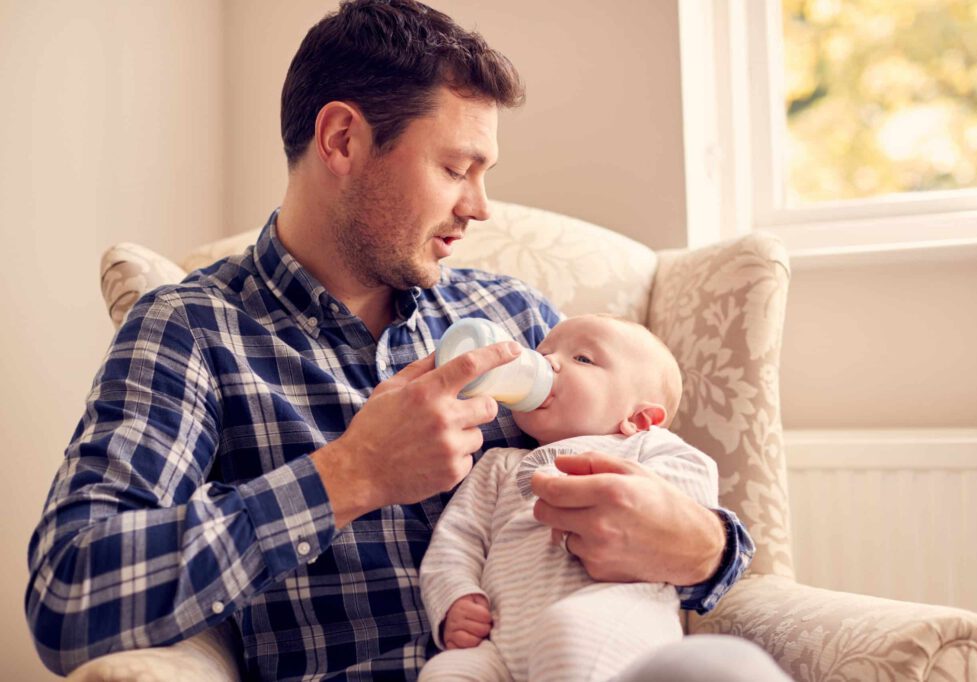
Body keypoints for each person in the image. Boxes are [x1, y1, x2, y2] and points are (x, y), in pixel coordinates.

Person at [25, 1, 768, 680]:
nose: (478, 207)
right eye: (455, 168)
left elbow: (648, 472)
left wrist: (703, 546)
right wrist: (349, 475)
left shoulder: (516, 318)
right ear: (343, 139)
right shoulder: (192, 330)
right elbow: (68, 593)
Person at [417, 314, 721, 681]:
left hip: (608, 615)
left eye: (583, 359)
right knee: (447, 670)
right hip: (501, 642)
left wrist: (643, 499)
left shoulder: (646, 446)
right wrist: (456, 598)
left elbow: (695, 483)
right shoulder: (499, 466)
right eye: (543, 351)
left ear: (639, 418)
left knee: (568, 633)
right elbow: (456, 539)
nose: (547, 361)